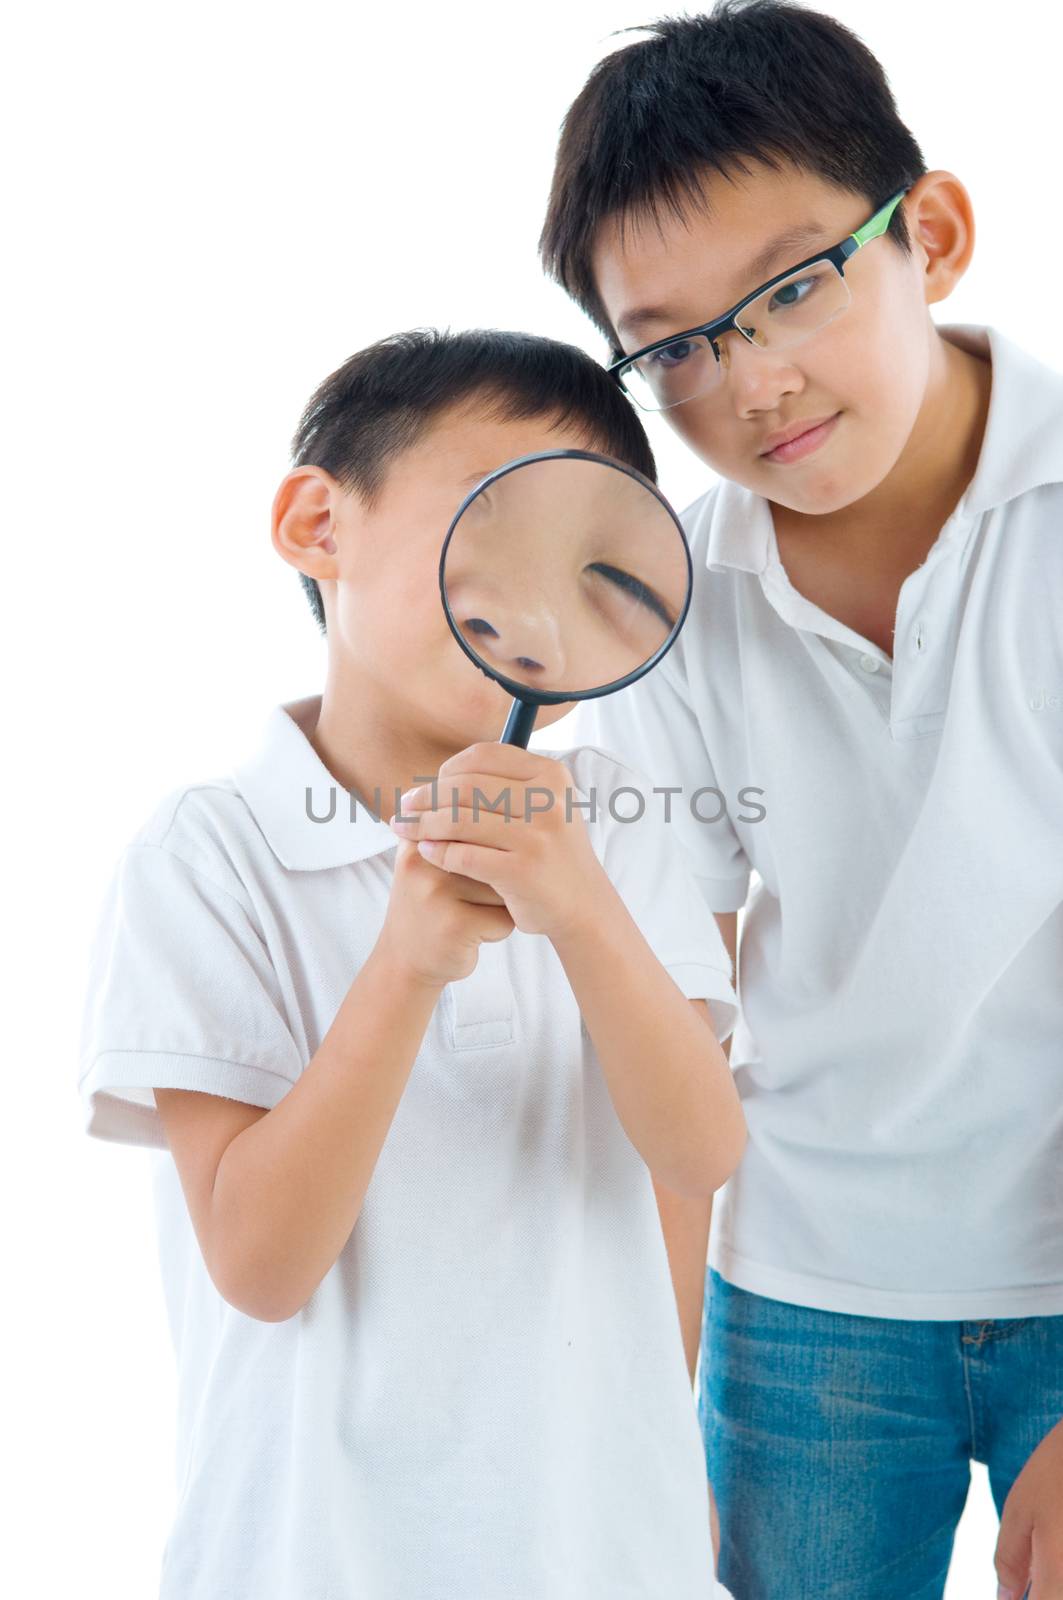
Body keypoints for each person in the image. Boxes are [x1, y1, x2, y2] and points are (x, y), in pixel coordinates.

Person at [76, 326, 747, 1600]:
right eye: (494, 528)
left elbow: (699, 1159)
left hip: (601, 1557)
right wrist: (402, 966)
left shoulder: (616, 822)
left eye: (600, 572)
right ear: (316, 526)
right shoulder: (209, 854)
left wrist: (583, 913)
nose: (543, 608)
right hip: (303, 1557)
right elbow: (261, 1267)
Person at [538, 4, 1063, 1597]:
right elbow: (665, 1016)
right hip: (803, 1305)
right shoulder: (668, 600)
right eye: (675, 345)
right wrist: (648, 1404)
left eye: (789, 287)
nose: (747, 378)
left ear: (933, 235)